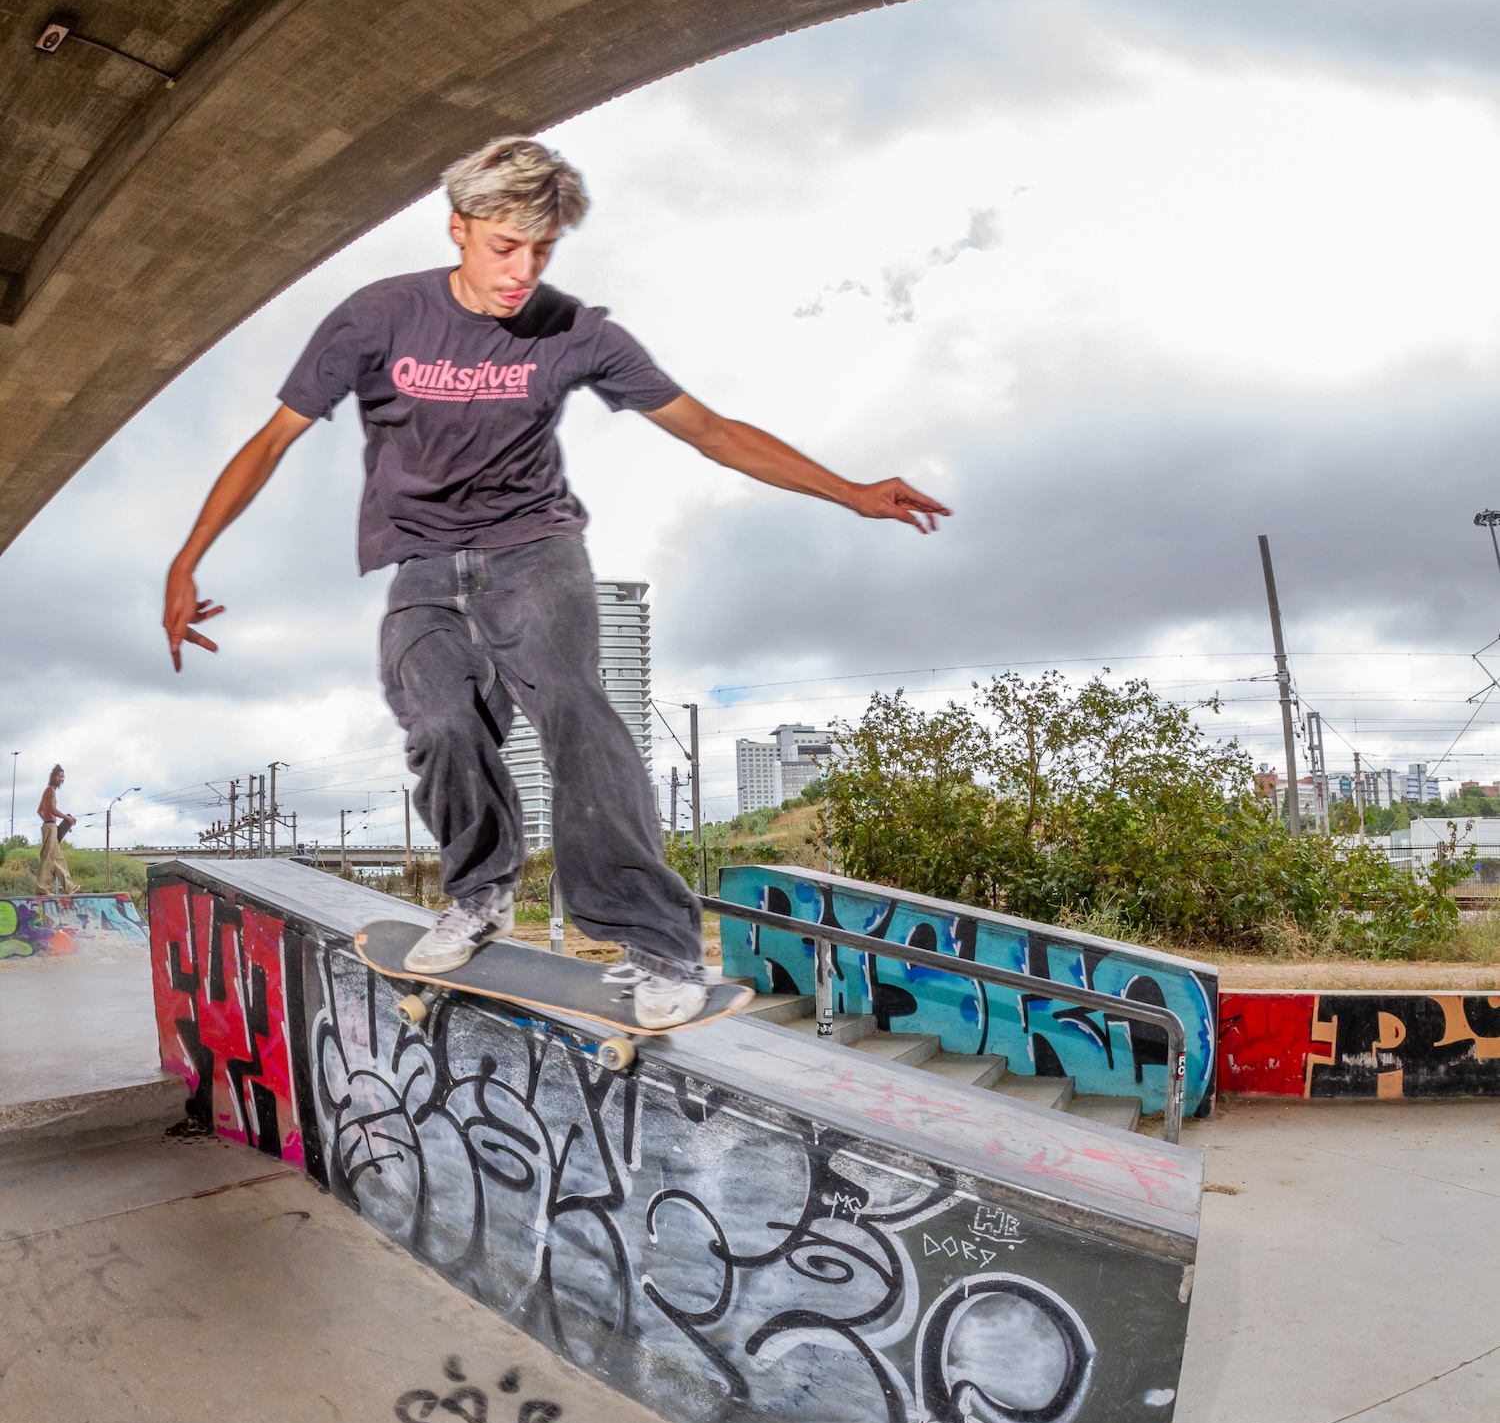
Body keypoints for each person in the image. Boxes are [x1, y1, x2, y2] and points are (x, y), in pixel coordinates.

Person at [163, 137, 949, 1027]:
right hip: (422, 564)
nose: (522, 271)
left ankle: (658, 942)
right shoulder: (374, 318)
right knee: (439, 723)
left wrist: (848, 491)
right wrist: (187, 560)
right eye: (505, 246)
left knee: (575, 712)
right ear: (458, 228)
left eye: (542, 251)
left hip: (533, 552)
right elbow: (271, 440)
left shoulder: (579, 332)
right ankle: (480, 893)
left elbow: (711, 430)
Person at [37, 765, 76, 894]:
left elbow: (39, 811)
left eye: (62, 776)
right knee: (48, 858)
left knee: (58, 858)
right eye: (59, 776)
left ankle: (69, 887)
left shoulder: (47, 792)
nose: (61, 779)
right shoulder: (50, 791)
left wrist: (47, 821)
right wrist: (67, 818)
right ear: (53, 776)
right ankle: (42, 888)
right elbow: (52, 810)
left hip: (50, 826)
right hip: (50, 827)